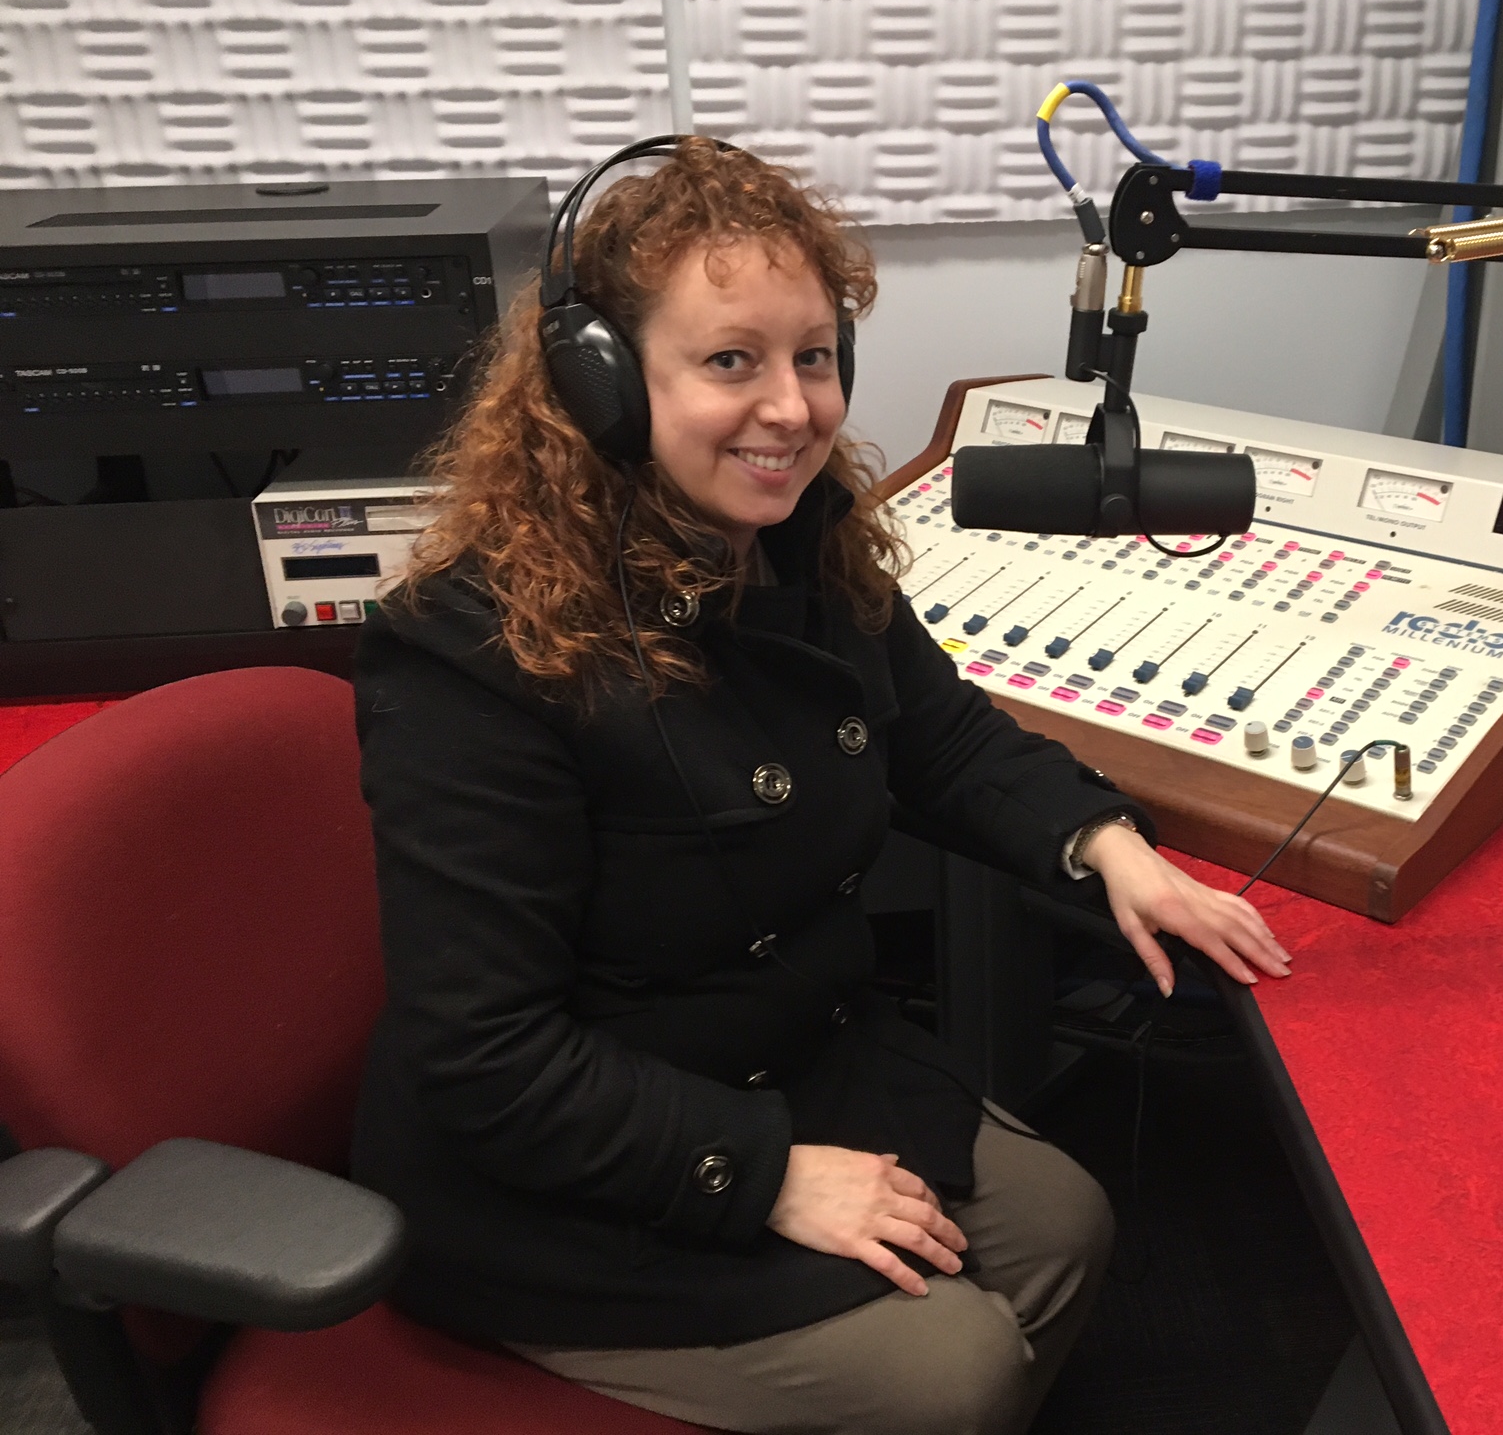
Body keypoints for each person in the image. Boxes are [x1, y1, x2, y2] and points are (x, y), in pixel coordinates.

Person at [349, 139, 1290, 1435]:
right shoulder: (473, 657)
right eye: (732, 360)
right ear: (602, 384)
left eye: (813, 355)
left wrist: (1104, 845)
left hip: (787, 1057)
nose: (791, 408)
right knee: (950, 1372)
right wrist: (770, 1177)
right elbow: (488, 1062)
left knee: (1066, 1226)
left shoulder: (796, 548)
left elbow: (942, 739)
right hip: (572, 1166)